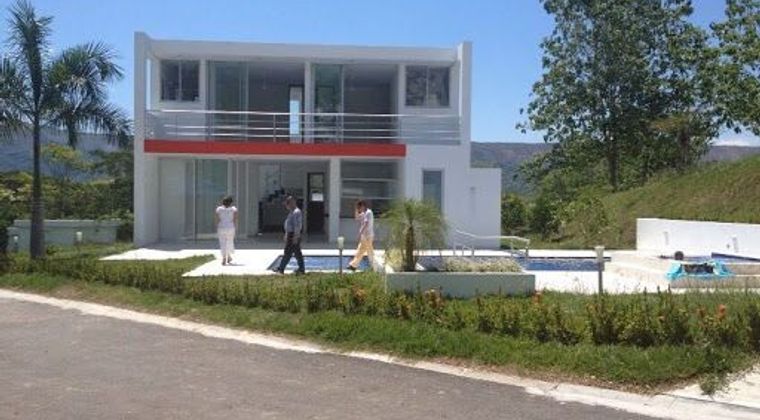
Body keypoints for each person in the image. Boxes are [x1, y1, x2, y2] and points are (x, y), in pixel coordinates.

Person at [274, 196, 305, 274]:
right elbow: (289, 225)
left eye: (288, 203)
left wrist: (295, 236)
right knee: (297, 253)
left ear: (292, 203)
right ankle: (301, 269)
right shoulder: (292, 212)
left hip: (293, 235)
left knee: (288, 252)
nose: (286, 206)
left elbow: (297, 225)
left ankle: (281, 269)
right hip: (290, 234)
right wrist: (286, 234)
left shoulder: (296, 212)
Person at [347, 200, 374, 271]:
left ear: (363, 206)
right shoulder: (363, 213)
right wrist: (356, 210)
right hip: (364, 236)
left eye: (359, 208)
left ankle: (373, 266)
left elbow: (366, 223)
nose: (359, 209)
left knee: (369, 251)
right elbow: (356, 218)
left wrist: (360, 231)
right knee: (360, 250)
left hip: (368, 235)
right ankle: (353, 265)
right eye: (358, 208)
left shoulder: (368, 212)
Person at [215, 196, 238, 266]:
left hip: (221, 227)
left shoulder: (219, 209)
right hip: (230, 227)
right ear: (230, 203)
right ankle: (228, 257)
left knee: (223, 243)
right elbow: (235, 219)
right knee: (229, 242)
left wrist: (217, 226)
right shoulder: (234, 209)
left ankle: (224, 258)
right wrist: (235, 226)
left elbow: (217, 219)